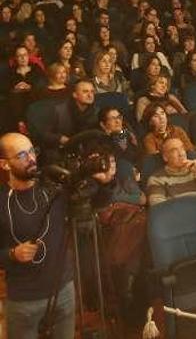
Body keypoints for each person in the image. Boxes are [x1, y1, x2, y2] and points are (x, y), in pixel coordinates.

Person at [0, 132, 114, 339]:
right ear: (5, 164)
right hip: (25, 300)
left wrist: (104, 184)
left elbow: (93, 205)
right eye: (22, 155)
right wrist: (12, 255)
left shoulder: (51, 188)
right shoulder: (2, 202)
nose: (31, 158)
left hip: (63, 290)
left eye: (32, 151)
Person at [146, 137, 196, 206]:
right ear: (165, 157)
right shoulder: (156, 179)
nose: (181, 154)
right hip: (181, 219)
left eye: (182, 148)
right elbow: (159, 209)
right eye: (174, 150)